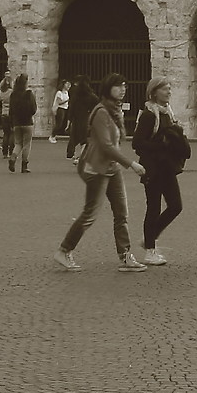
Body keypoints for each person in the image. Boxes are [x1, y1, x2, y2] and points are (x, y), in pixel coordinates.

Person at [53, 74, 145, 273]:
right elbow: (106, 145)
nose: (122, 89)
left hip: (112, 168)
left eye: (124, 86)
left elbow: (120, 139)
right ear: (107, 88)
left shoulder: (114, 111)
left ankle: (125, 255)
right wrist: (132, 164)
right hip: (97, 168)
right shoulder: (101, 111)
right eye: (118, 86)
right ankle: (64, 249)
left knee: (122, 213)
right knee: (90, 214)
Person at [131, 79, 192, 265]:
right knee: (153, 208)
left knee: (176, 206)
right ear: (154, 92)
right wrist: (161, 145)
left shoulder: (168, 113)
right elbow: (137, 142)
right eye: (165, 89)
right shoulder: (149, 115)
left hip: (167, 167)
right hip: (153, 168)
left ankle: (150, 237)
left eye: (169, 88)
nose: (169, 92)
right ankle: (150, 250)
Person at [3, 73, 35, 171]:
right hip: (27, 122)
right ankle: (24, 165)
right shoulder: (29, 94)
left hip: (16, 122)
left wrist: (12, 122)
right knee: (27, 144)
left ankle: (13, 157)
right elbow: (33, 109)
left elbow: (11, 110)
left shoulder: (13, 94)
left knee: (18, 143)